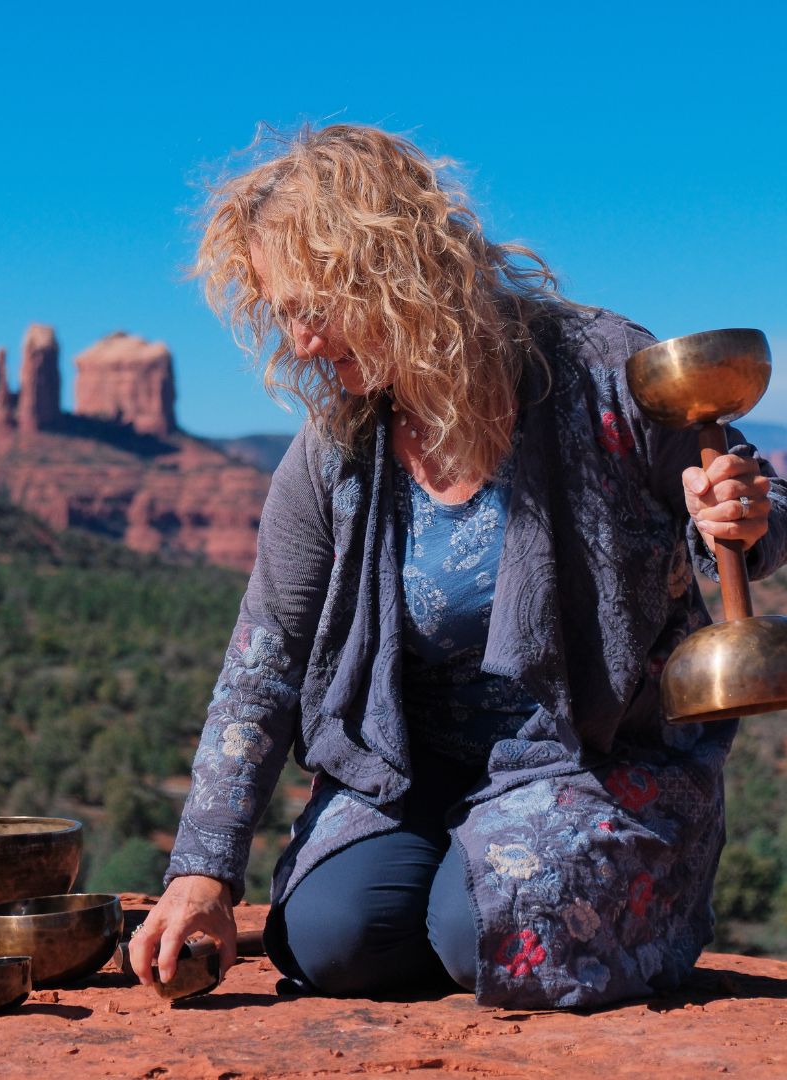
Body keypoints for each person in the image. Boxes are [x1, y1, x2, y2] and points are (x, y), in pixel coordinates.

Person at [127, 124, 787, 1008]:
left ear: (395, 268)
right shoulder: (338, 447)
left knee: (487, 924)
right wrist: (201, 874)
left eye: (314, 304)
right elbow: (265, 660)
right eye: (282, 312)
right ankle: (456, 866)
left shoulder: (601, 371)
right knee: (332, 938)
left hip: (593, 762)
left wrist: (738, 512)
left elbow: (758, 512)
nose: (303, 340)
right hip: (416, 771)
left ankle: (586, 894)